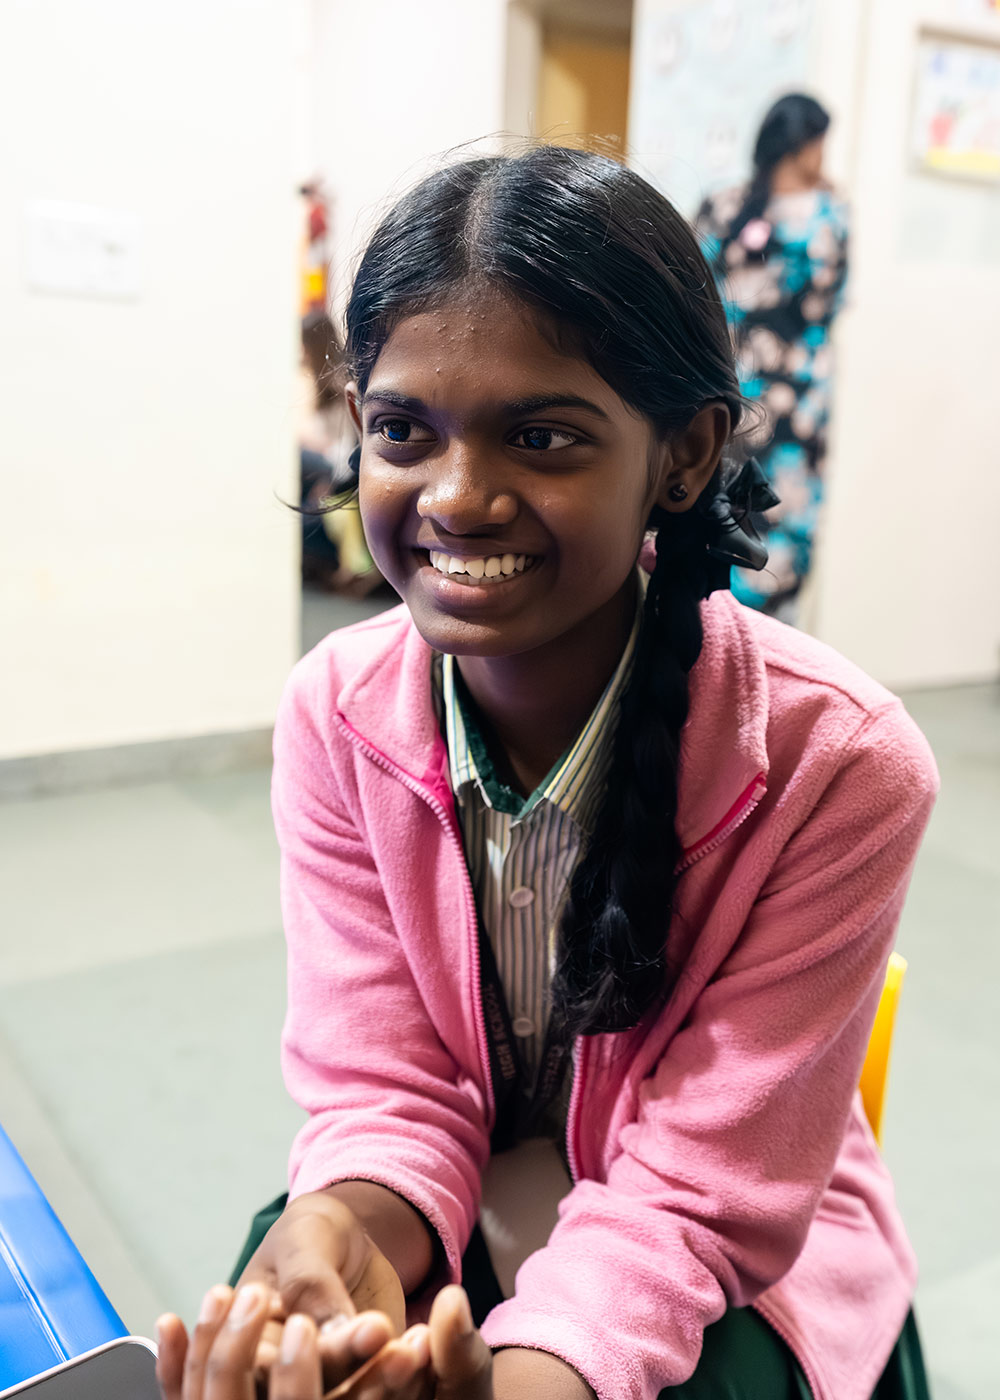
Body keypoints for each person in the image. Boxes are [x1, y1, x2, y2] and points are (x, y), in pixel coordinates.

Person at [155, 146, 936, 1400]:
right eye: (402, 429)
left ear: (681, 455)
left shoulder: (836, 761)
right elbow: (384, 1082)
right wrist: (345, 1227)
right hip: (447, 1184)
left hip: (718, 1260)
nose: (458, 498)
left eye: (542, 436)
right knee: (275, 1316)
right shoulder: (336, 713)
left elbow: (697, 1198)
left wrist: (531, 1378)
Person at [696, 94, 849, 621]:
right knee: (724, 507)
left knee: (787, 511)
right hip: (731, 391)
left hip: (796, 400)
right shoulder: (727, 204)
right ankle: (717, 632)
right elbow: (695, 290)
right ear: (800, 141)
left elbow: (826, 308)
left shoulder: (831, 212)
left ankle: (774, 647)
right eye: (820, 140)